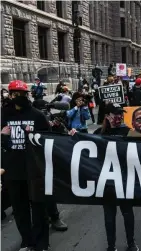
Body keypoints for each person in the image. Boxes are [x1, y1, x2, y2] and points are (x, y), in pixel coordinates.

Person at [1, 80, 51, 251]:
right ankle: (27, 241)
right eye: (15, 94)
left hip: (34, 170)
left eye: (22, 94)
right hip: (13, 172)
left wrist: (34, 136)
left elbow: (48, 141)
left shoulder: (37, 115)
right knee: (20, 210)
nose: (18, 97)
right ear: (10, 95)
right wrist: (2, 136)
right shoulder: (3, 115)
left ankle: (42, 243)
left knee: (38, 208)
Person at [91, 103, 139, 251]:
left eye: (121, 113)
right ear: (107, 116)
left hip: (124, 180)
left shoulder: (128, 131)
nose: (119, 117)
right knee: (109, 216)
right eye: (115, 114)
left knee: (127, 213)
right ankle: (111, 246)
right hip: (107, 182)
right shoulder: (99, 133)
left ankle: (131, 243)